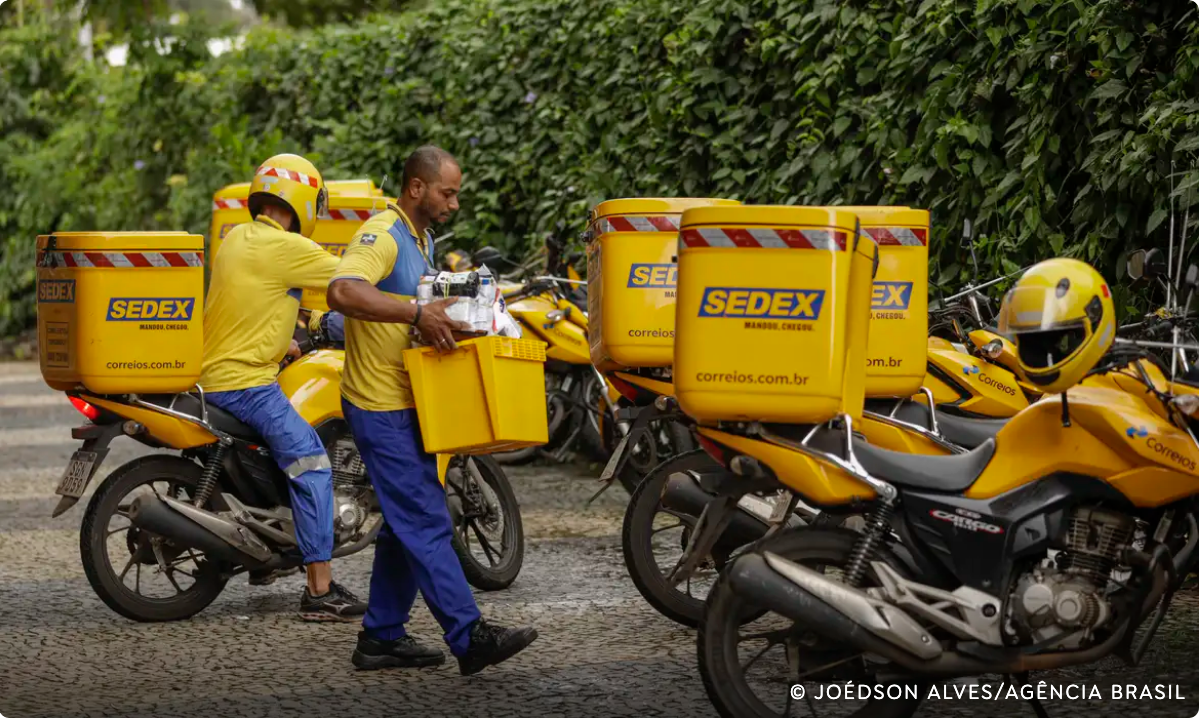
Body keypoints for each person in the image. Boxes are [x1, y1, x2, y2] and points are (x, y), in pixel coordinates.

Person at [327, 145, 538, 675]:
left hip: (409, 400)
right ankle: (469, 637)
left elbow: (416, 313)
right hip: (379, 405)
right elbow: (343, 291)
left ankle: (380, 637)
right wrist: (417, 312)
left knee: (404, 524)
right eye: (448, 192)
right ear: (417, 187)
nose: (455, 203)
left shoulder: (422, 240)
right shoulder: (383, 234)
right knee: (424, 517)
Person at [199, 153, 368, 622]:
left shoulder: (236, 239)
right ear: (302, 199)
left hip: (215, 375)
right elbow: (352, 281)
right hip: (246, 384)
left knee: (277, 456)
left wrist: (287, 343)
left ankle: (264, 560)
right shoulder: (285, 247)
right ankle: (320, 590)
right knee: (313, 466)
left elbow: (257, 302)